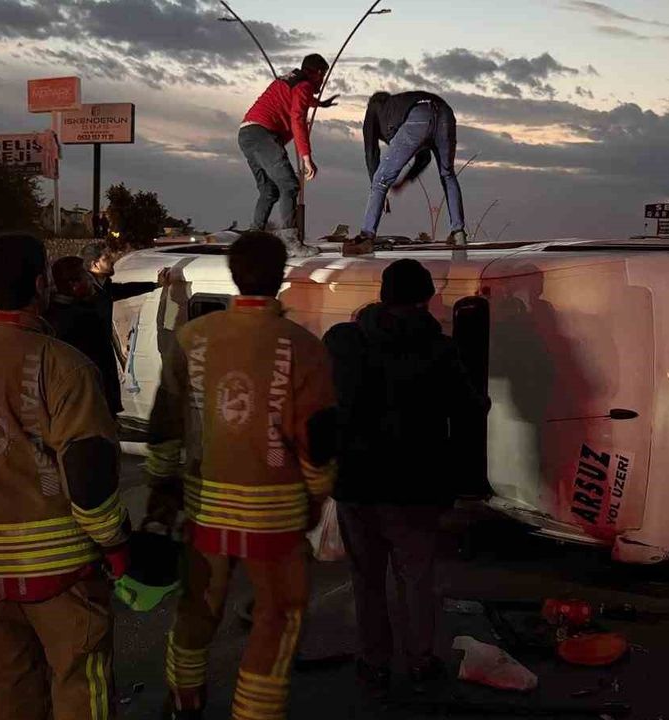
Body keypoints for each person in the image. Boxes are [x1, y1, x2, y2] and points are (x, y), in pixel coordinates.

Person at [0, 233, 131, 720]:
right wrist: (115, 543)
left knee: (9, 690)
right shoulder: (65, 365)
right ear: (40, 285)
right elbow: (89, 479)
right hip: (63, 570)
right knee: (81, 684)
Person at [144, 231, 337, 720]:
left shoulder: (193, 337)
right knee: (279, 614)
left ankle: (184, 699)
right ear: (280, 276)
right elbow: (316, 439)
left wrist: (162, 485)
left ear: (232, 274)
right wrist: (318, 494)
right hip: (276, 514)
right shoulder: (303, 347)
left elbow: (165, 422)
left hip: (203, 506)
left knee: (198, 606)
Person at [324, 259, 487, 696]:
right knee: (416, 578)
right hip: (415, 486)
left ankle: (374, 664)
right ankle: (420, 662)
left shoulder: (344, 341)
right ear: (425, 299)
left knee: (366, 580)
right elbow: (471, 408)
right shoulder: (440, 350)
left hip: (355, 483)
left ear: (382, 295)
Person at [239, 53, 338, 258]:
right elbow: (297, 119)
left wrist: (319, 104)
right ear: (317, 73)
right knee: (289, 185)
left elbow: (299, 98)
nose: (322, 83)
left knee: (269, 191)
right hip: (263, 134)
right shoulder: (304, 85)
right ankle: (290, 242)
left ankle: (251, 241)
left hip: (247, 134)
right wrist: (306, 157)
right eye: (323, 77)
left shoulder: (292, 79)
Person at [351, 92, 466, 254]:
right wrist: (403, 182)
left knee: (380, 180)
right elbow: (424, 158)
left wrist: (379, 190)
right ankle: (458, 233)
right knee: (448, 174)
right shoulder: (400, 106)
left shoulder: (374, 108)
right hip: (445, 114)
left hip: (418, 117)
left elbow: (371, 152)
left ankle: (366, 236)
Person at [80, 243, 170, 414]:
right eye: (106, 258)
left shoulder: (103, 287)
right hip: (90, 357)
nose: (112, 260)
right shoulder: (87, 293)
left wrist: (155, 285)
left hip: (103, 354)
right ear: (94, 264)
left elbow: (122, 289)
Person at [45, 256, 121, 413]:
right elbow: (100, 359)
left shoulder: (51, 312)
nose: (90, 280)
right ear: (74, 284)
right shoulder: (82, 316)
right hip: (92, 400)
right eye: (85, 276)